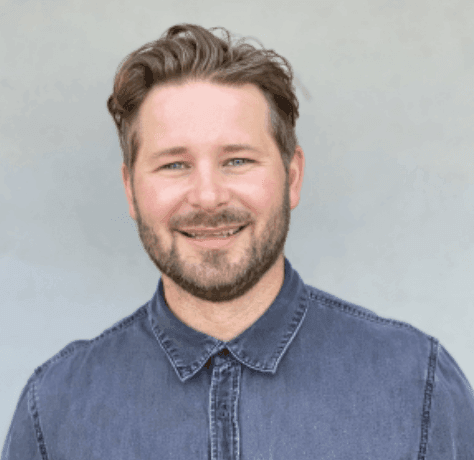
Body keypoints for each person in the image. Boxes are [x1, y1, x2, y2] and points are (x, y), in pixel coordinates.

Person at [2, 23, 474, 460]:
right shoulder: (55, 409)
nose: (208, 197)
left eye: (238, 161)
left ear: (292, 176)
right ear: (130, 190)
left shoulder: (420, 386)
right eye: (174, 165)